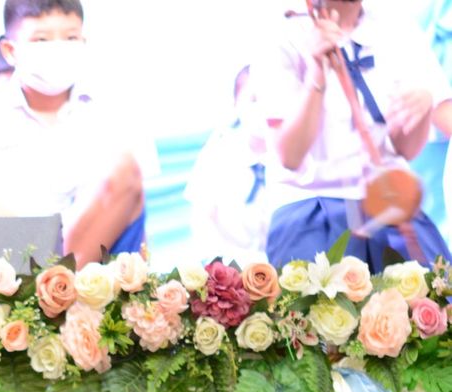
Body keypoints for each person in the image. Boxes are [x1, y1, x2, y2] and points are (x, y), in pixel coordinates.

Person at [0, 0, 158, 265]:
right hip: (0, 273)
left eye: (70, 37)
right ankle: (41, 275)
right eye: (41, 39)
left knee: (123, 168)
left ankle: (50, 276)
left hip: (89, 275)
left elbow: (135, 221)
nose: (57, 48)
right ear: (10, 51)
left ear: (83, 42)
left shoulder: (119, 119)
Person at [259, 0, 452, 267]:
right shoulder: (283, 32)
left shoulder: (397, 28)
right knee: (320, 291)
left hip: (390, 204)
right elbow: (289, 156)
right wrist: (316, 74)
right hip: (310, 210)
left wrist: (422, 107)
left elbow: (406, 150)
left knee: (437, 287)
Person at [185, 66, 274, 266]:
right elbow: (201, 223)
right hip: (226, 271)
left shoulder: (295, 161)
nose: (261, 109)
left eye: (269, 100)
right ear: (235, 103)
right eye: (253, 100)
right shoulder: (216, 154)